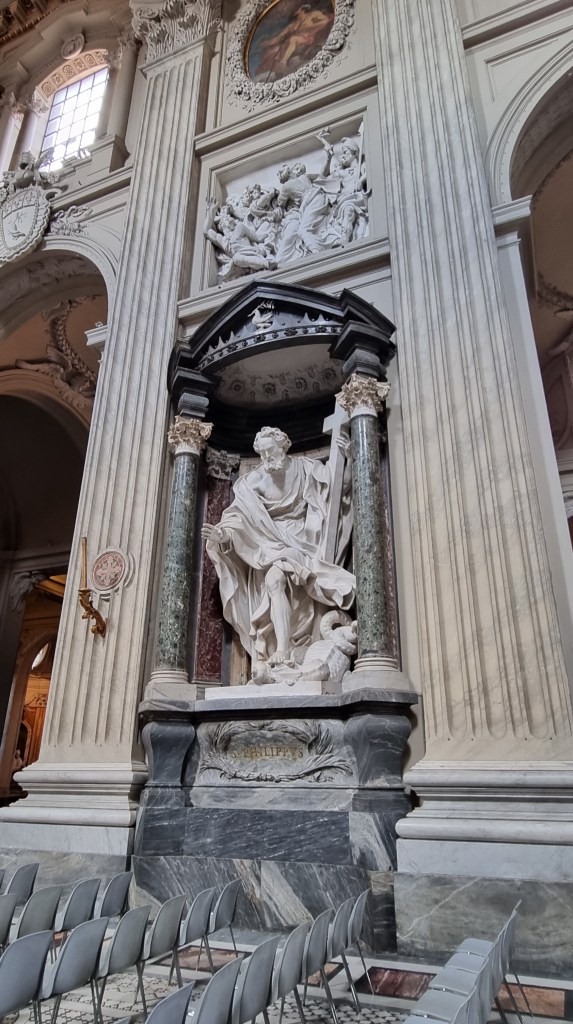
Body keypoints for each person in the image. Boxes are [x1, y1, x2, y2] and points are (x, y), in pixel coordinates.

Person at [202, 427, 354, 671]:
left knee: (278, 581)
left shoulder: (307, 469)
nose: (266, 458)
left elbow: (338, 492)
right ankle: (281, 649)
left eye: (270, 451)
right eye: (261, 453)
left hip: (304, 543)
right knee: (274, 580)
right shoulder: (254, 481)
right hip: (267, 544)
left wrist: (350, 459)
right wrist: (224, 535)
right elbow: (238, 517)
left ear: (284, 446)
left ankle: (289, 649)